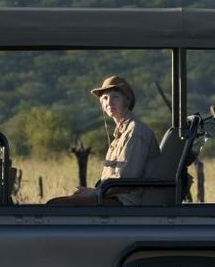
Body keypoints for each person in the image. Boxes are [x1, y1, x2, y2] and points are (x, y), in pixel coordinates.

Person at [53, 75, 157, 204]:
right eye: (105, 98)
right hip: (113, 197)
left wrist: (94, 192)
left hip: (128, 202)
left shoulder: (135, 132)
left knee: (57, 206)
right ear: (101, 104)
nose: (109, 102)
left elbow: (126, 180)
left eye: (115, 97)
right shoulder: (121, 133)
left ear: (127, 101)